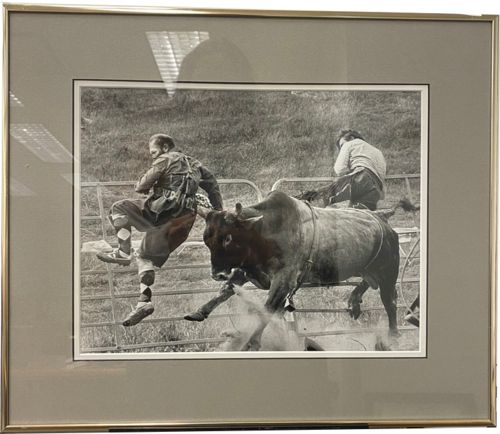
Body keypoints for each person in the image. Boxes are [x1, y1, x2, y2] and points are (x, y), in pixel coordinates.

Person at [96, 133, 223, 326]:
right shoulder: (196, 164)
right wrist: (218, 210)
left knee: (119, 208)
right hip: (185, 220)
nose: (153, 156)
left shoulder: (166, 159)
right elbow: (213, 186)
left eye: (154, 152)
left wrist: (146, 184)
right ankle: (143, 302)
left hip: (162, 211)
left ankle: (122, 251)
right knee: (145, 257)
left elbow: (141, 186)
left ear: (164, 148)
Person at [327, 129, 387, 211]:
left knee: (325, 196)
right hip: (375, 189)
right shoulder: (378, 151)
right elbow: (382, 174)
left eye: (342, 145)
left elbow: (339, 169)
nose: (342, 148)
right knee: (365, 217)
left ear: (351, 137)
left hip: (360, 178)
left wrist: (349, 173)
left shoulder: (349, 144)